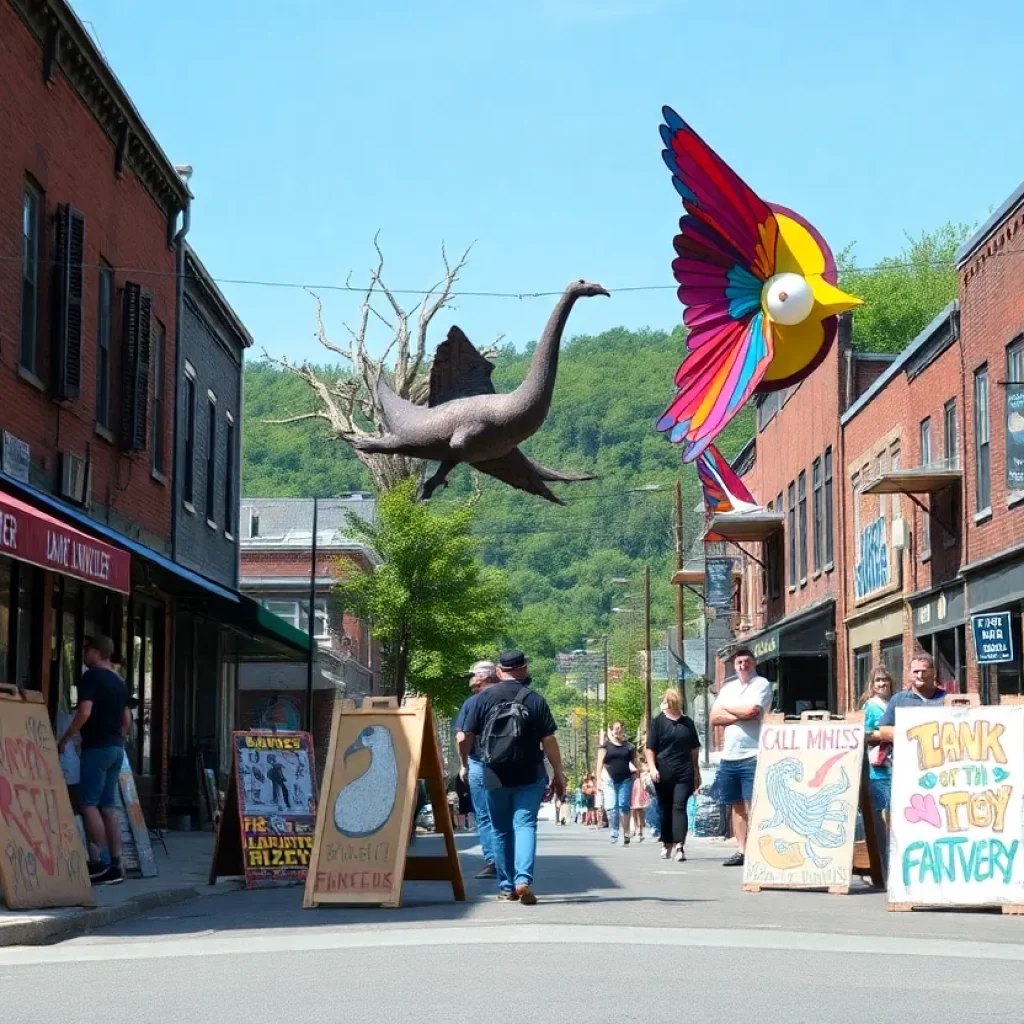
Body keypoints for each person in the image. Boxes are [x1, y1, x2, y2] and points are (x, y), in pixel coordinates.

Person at [459, 650, 567, 905]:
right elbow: (549, 740)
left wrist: (465, 764)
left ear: (499, 671)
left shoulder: (481, 699)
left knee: (500, 829)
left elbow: (464, 737)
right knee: (525, 824)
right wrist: (558, 772)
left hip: (494, 774)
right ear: (525, 669)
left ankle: (507, 887)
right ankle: (523, 880)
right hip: (530, 773)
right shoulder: (534, 699)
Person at [57, 635, 130, 885]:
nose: (83, 653)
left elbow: (85, 711)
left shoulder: (91, 677)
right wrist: (118, 739)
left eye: (86, 649)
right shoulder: (119, 680)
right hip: (116, 748)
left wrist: (67, 737)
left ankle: (100, 862)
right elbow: (127, 720)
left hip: (97, 748)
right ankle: (118, 864)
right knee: (108, 807)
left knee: (88, 804)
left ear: (97, 651)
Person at [710, 647, 774, 867]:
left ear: (753, 663)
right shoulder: (729, 688)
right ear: (734, 665)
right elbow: (714, 718)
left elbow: (752, 712)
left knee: (753, 802)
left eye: (747, 662)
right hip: (730, 755)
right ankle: (742, 850)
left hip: (753, 753)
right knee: (736, 805)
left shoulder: (762, 684)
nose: (743, 666)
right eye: (739, 663)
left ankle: (758, 850)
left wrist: (726, 708)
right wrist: (737, 713)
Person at [645, 689, 701, 862]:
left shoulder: (687, 723)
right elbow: (650, 748)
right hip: (663, 771)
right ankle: (666, 842)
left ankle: (679, 845)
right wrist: (652, 768)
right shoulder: (658, 723)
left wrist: (696, 771)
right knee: (665, 807)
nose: (669, 703)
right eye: (667, 700)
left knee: (679, 806)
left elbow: (694, 750)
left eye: (672, 700)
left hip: (684, 770)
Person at [455, 660, 499, 878]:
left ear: (485, 678)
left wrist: (463, 764)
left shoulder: (472, 703)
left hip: (480, 762)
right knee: (507, 814)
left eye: (473, 675)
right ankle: (510, 860)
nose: (471, 679)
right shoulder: (513, 697)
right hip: (508, 764)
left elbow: (463, 737)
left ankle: (493, 861)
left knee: (484, 815)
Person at [876, 652, 948, 747]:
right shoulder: (899, 700)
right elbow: (884, 729)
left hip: (938, 758)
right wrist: (912, 733)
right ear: (909, 673)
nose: (919, 675)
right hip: (907, 759)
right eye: (916, 672)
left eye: (924, 671)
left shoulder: (946, 699)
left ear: (933, 673)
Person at [595, 720, 639, 844]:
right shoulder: (605, 747)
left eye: (620, 728)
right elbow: (599, 765)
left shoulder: (629, 747)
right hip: (609, 780)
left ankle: (625, 832)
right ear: (611, 730)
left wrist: (638, 776)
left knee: (624, 805)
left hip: (626, 779)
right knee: (612, 807)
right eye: (615, 728)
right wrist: (598, 780)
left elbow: (636, 763)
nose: (618, 730)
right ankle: (614, 831)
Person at [861, 666, 894, 818]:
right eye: (877, 680)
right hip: (878, 768)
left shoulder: (895, 702)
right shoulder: (870, 706)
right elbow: (864, 734)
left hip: (897, 765)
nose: (881, 684)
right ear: (872, 684)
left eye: (884, 679)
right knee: (881, 811)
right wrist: (887, 734)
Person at [630, 766, 652, 841]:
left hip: (638, 785)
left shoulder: (638, 763)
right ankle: (636, 829)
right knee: (633, 810)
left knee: (639, 809)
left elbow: (644, 769)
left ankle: (640, 830)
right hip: (630, 784)